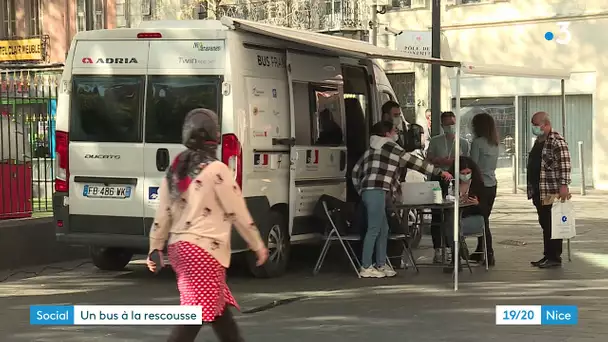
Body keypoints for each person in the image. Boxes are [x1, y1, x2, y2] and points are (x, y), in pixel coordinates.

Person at [146, 108, 269, 342]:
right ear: (213, 136)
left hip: (180, 249)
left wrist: (155, 247)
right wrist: (257, 244)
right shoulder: (217, 170)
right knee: (194, 314)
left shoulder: (175, 170)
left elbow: (163, 213)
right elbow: (237, 211)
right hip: (204, 250)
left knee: (219, 312)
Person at [351, 121, 453, 278]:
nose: (396, 134)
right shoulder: (391, 147)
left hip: (370, 191)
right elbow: (415, 162)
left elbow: (356, 171)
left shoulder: (370, 150)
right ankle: (366, 266)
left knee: (383, 228)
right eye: (394, 131)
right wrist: (439, 172)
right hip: (378, 191)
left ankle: (380, 263)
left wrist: (361, 190)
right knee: (374, 228)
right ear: (387, 134)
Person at [527, 111, 571, 269]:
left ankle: (554, 256)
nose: (533, 128)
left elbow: (564, 164)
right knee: (545, 223)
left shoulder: (556, 141)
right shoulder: (539, 141)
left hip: (551, 190)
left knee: (552, 223)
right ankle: (547, 254)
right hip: (539, 190)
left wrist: (564, 185)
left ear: (545, 124)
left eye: (536, 125)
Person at [426, 111, 470, 263]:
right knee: (437, 214)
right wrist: (440, 160)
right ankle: (438, 249)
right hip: (438, 178)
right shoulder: (435, 141)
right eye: (446, 124)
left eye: (452, 123)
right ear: (442, 125)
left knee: (453, 215)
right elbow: (429, 158)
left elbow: (467, 162)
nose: (449, 127)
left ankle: (453, 248)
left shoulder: (463, 142)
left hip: (456, 179)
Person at [443, 156, 487, 272]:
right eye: (462, 173)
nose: (466, 175)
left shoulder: (478, 185)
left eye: (468, 172)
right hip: (455, 218)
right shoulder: (451, 184)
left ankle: (455, 258)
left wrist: (477, 203)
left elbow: (486, 211)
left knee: (451, 225)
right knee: (451, 222)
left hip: (471, 218)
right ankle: (459, 251)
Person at [468, 112, 499, 266]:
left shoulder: (477, 143)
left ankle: (488, 253)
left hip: (480, 185)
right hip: (492, 183)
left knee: (482, 220)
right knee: (484, 217)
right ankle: (482, 251)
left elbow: (472, 165)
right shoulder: (495, 143)